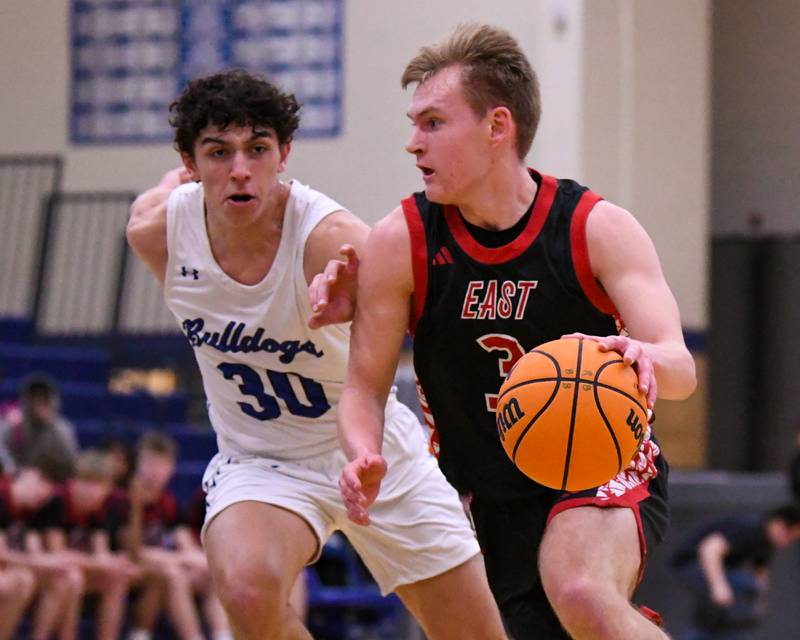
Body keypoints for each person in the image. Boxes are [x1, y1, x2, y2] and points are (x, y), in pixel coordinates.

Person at [321, 23, 697, 640]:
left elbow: (680, 369)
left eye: (434, 123)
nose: (413, 144)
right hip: (484, 494)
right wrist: (364, 450)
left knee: (578, 586)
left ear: (498, 127)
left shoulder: (595, 228)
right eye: (413, 123)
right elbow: (364, 388)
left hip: (600, 464)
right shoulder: (402, 240)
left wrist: (644, 357)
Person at [125, 69, 505, 640]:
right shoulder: (159, 234)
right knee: (248, 588)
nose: (239, 170)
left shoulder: (329, 237)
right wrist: (166, 184)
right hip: (261, 461)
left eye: (258, 149)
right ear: (190, 161)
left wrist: (369, 293)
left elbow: (433, 311)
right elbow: (153, 202)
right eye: (218, 152)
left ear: (285, 154)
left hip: (371, 454)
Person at [30, 449, 142, 640]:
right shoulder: (58, 502)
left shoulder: (100, 509)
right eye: (87, 483)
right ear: (73, 481)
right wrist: (103, 563)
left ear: (108, 488)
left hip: (70, 571)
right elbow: (58, 557)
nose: (92, 491)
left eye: (99, 485)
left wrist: (117, 563)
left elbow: (101, 551)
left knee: (116, 579)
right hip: (40, 571)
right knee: (71, 577)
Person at [671, 505, 800, 639]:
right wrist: (719, 586)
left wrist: (761, 601)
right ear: (778, 524)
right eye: (789, 536)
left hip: (715, 572)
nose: (786, 543)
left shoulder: (765, 543)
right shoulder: (750, 529)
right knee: (746, 586)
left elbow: (760, 574)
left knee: (720, 623)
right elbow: (709, 549)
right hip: (694, 564)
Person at [0, 458, 83, 640]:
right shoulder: (3, 495)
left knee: (67, 578)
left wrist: (54, 561)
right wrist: (41, 563)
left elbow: (34, 552)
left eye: (50, 487)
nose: (44, 491)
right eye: (41, 481)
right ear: (24, 473)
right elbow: (3, 555)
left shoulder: (30, 510)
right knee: (22, 580)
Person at [0, 374, 78, 476]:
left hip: (50, 482)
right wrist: (16, 474)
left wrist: (51, 425)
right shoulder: (12, 424)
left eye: (44, 398)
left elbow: (70, 464)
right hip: (15, 481)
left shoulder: (62, 428)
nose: (39, 402)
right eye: (34, 397)